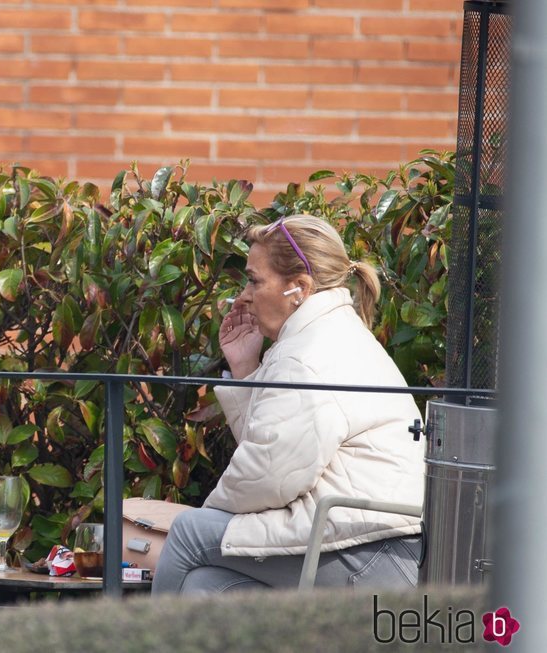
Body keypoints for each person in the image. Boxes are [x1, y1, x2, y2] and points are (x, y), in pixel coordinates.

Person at [151, 215, 425, 594]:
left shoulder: (309, 353)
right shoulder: (325, 335)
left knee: (187, 533)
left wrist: (209, 517)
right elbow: (273, 451)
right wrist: (246, 369)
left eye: (254, 280)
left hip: (366, 554)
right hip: (374, 549)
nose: (244, 294)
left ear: (297, 288)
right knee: (205, 587)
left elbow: (269, 476)